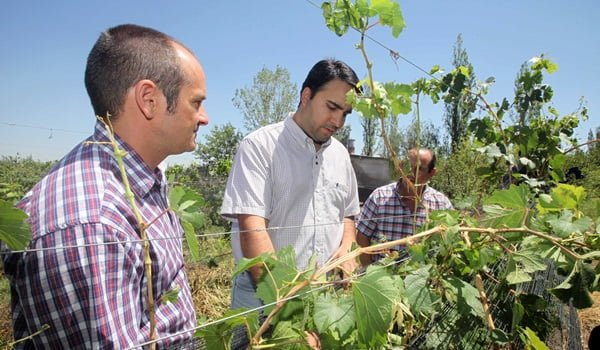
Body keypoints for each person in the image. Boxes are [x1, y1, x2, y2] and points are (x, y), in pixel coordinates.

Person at [3, 24, 209, 349]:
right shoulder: (91, 224)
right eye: (196, 102)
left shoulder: (143, 178)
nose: (204, 117)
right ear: (149, 99)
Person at [221, 59, 361, 312]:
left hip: (324, 294)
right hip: (263, 293)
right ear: (306, 95)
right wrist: (288, 311)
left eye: (345, 114)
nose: (338, 122)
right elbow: (253, 232)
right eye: (332, 107)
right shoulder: (259, 146)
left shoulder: (341, 155)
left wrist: (347, 249)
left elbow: (348, 215)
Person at [356, 148, 453, 265]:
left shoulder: (441, 204)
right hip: (382, 276)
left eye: (419, 169)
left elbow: (450, 242)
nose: (411, 172)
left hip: (421, 279)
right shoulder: (380, 197)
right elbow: (362, 236)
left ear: (431, 173)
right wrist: (368, 271)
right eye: (408, 166)